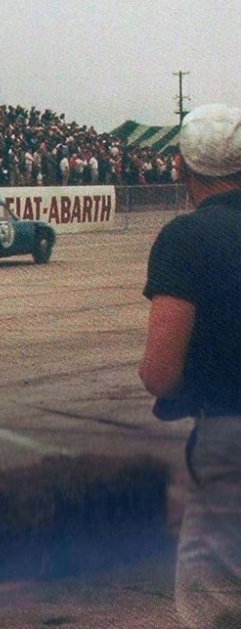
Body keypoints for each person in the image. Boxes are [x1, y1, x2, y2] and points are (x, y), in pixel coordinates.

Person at [139, 103, 241, 628]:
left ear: (181, 167)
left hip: (229, 435)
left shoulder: (186, 238)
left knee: (216, 605)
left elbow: (160, 372)